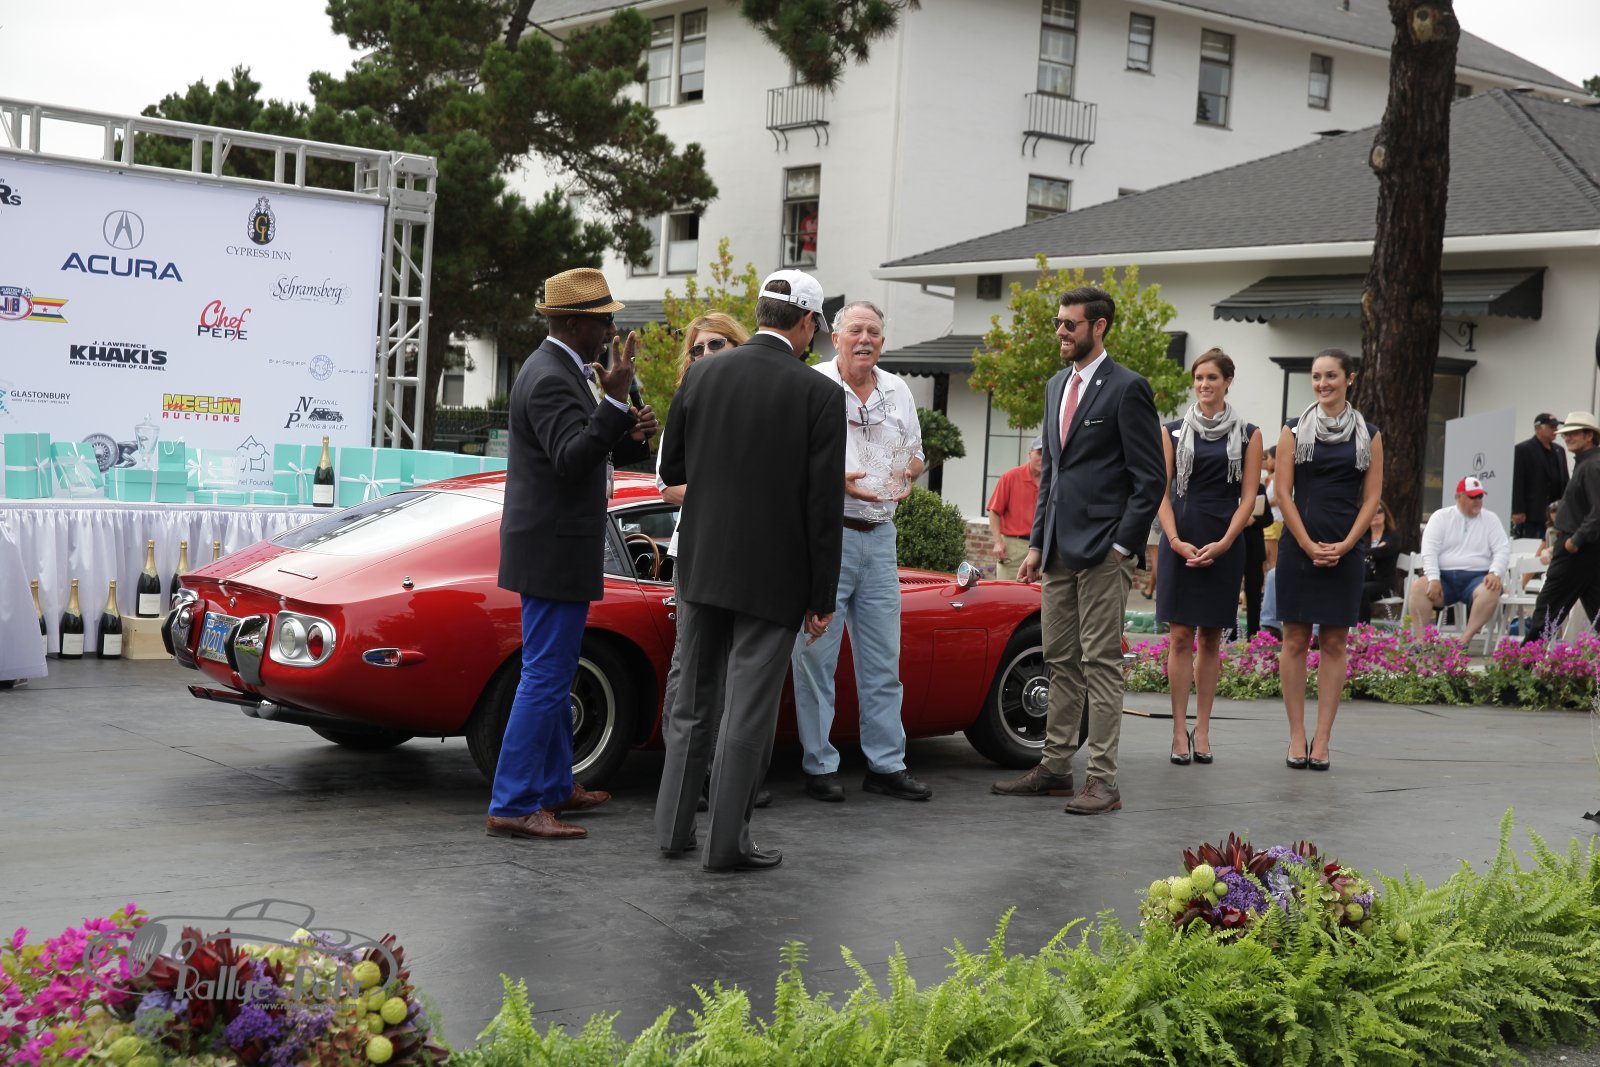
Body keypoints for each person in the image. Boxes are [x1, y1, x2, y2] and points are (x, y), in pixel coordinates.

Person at [654, 268, 845, 872]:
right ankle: (726, 844)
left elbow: (674, 469)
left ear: (761, 312)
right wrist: (822, 596)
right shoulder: (819, 393)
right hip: (774, 573)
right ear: (808, 322)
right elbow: (823, 507)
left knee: (692, 701)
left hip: (702, 561)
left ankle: (672, 831)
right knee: (747, 710)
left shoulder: (703, 374)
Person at [487, 267, 658, 841]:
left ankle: (556, 785)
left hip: (556, 546)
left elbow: (586, 449)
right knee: (545, 676)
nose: (610, 330)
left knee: (555, 674)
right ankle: (514, 802)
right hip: (553, 549)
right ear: (572, 323)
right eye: (602, 320)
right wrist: (614, 403)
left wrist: (626, 430)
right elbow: (568, 459)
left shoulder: (563, 370)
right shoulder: (550, 377)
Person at [991, 285, 1165, 815]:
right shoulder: (1055, 386)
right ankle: (1055, 768)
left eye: (1070, 323)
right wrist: (1036, 543)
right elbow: (1052, 474)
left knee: (1100, 664)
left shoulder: (1128, 388)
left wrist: (1122, 545)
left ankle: (1103, 781)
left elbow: (1150, 478)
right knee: (1059, 660)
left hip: (1104, 551)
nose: (1061, 331)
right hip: (1056, 552)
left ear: (1099, 326)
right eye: (1058, 323)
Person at [791, 301, 931, 804]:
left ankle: (886, 764)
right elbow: (788, 458)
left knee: (883, 660)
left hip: (880, 534)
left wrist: (906, 475)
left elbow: (916, 454)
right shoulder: (811, 384)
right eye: (855, 330)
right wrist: (835, 480)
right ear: (835, 338)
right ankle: (819, 765)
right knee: (815, 659)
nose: (865, 339)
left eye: (874, 331)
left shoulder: (898, 390)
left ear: (883, 342)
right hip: (827, 537)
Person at [652, 312, 765, 811]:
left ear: (739, 345)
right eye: (696, 349)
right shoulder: (688, 399)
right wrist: (722, 496)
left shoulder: (764, 399)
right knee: (692, 665)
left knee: (746, 666)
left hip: (754, 551)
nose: (704, 355)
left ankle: (731, 775)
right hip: (697, 548)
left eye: (715, 344)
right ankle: (684, 777)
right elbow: (665, 482)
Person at [1275, 348, 1383, 773]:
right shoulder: (1293, 429)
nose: (1323, 383)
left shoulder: (1369, 434)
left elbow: (1372, 498)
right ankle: (1296, 735)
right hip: (1299, 545)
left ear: (1349, 379)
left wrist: (1346, 544)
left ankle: (1322, 739)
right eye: (1317, 376)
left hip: (1346, 547)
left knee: (1335, 642)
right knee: (1295, 640)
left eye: (1331, 376)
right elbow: (1283, 493)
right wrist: (1306, 543)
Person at [1155, 349, 1263, 765]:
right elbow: (1161, 492)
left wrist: (1225, 542)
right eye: (1199, 377)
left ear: (1227, 382)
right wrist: (1173, 539)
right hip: (1179, 538)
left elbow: (1249, 498)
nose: (1204, 384)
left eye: (1212, 377)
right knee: (1180, 636)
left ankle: (1202, 730)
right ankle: (1177, 732)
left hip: (1225, 541)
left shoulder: (1250, 434)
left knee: (1211, 639)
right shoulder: (1172, 431)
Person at [1522, 411, 1600, 642]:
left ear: (1589, 436)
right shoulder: (1587, 463)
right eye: (1566, 434)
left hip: (1577, 548)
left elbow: (1598, 510)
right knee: (1595, 609)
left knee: (1547, 609)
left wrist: (1575, 540)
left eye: (1573, 433)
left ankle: (1525, 662)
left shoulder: (1592, 466)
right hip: (1584, 547)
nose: (1567, 437)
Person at [1405, 477, 1509, 647]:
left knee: (1491, 589)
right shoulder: (1441, 517)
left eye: (1480, 496)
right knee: (1418, 587)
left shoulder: (1491, 519)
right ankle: (1420, 642)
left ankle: (1464, 641)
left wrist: (1495, 572)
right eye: (1473, 497)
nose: (1478, 501)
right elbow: (1429, 550)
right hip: (1444, 577)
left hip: (1477, 578)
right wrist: (1433, 578)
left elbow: (1502, 549)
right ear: (1459, 496)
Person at [987, 436, 1042, 581]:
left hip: (1043, 548)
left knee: (1041, 594)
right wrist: (998, 542)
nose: (1043, 458)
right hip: (1014, 547)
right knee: (1008, 592)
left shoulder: (1054, 480)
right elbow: (994, 511)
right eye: (1039, 453)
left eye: (1048, 454)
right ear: (1030, 453)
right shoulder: (1010, 477)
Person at [1511, 413, 1569, 539]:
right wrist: (1518, 510)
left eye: (1556, 427)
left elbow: (1565, 480)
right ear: (1538, 428)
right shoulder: (1523, 450)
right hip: (1534, 513)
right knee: (1533, 545)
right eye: (1551, 427)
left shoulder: (1559, 450)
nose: (1555, 430)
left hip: (1557, 514)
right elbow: (1517, 481)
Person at [1358, 500, 1403, 624]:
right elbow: (1357, 553)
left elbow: (1385, 551)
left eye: (1379, 511)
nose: (1375, 515)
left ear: (1385, 514)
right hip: (1364, 580)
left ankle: (1363, 630)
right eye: (1371, 512)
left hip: (1384, 584)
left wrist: (1368, 552)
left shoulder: (1393, 536)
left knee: (1362, 590)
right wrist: (1376, 550)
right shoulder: (1363, 537)